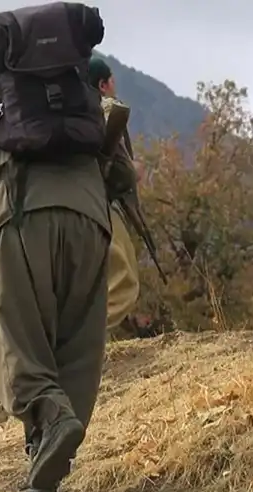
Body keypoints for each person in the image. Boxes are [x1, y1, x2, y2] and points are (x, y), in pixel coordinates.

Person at [0, 3, 136, 492]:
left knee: (14, 337)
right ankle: (45, 467)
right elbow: (125, 177)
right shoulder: (90, 100)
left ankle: (49, 414)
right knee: (76, 346)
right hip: (91, 225)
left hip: (19, 221)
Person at [88, 57, 143, 335]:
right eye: (111, 81)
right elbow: (120, 174)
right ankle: (85, 344)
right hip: (96, 205)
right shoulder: (105, 110)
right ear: (102, 84)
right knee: (124, 282)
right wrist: (132, 170)